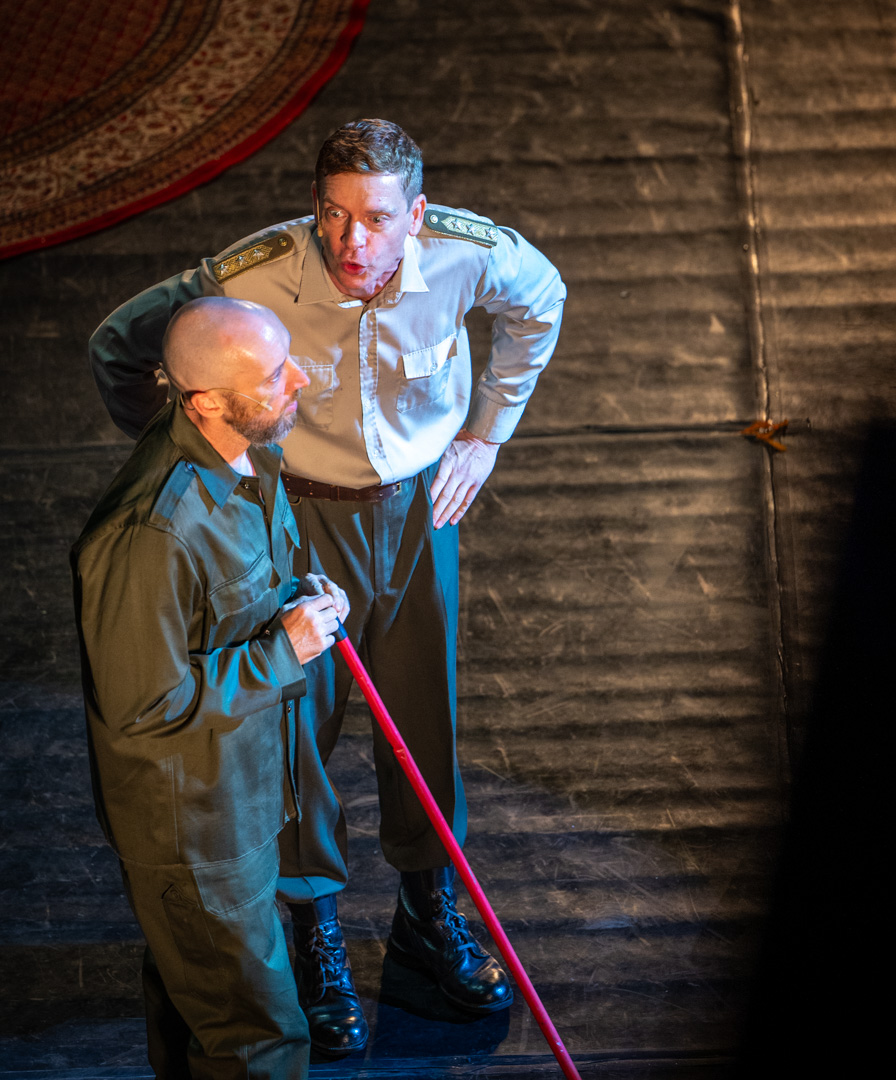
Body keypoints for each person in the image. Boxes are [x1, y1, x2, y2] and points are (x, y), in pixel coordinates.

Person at [88, 119, 566, 1055]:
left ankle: (428, 918)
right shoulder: (254, 274)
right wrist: (197, 457)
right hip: (300, 515)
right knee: (296, 734)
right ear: (315, 209)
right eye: (335, 215)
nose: (354, 241)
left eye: (378, 219)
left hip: (419, 514)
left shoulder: (468, 254)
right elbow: (120, 344)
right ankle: (315, 937)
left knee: (425, 721)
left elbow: (540, 299)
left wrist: (486, 432)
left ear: (416, 216)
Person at [73, 297, 352, 1077]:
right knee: (257, 1040)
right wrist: (284, 649)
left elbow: (229, 601)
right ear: (204, 402)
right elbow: (143, 706)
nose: (298, 380)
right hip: (196, 831)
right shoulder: (149, 535)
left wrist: (294, 597)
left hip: (242, 794)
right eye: (272, 376)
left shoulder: (244, 456)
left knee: (199, 1010)